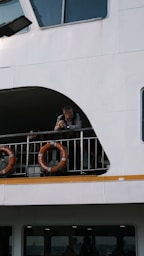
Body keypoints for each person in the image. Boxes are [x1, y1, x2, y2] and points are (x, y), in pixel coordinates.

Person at [54, 105, 82, 170]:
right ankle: (64, 169)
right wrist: (59, 126)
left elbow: (79, 126)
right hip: (63, 139)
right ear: (64, 113)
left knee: (75, 155)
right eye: (69, 112)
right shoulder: (60, 117)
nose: (71, 114)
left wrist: (68, 127)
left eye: (71, 112)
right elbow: (55, 129)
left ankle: (76, 169)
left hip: (74, 139)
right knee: (62, 155)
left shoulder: (76, 116)